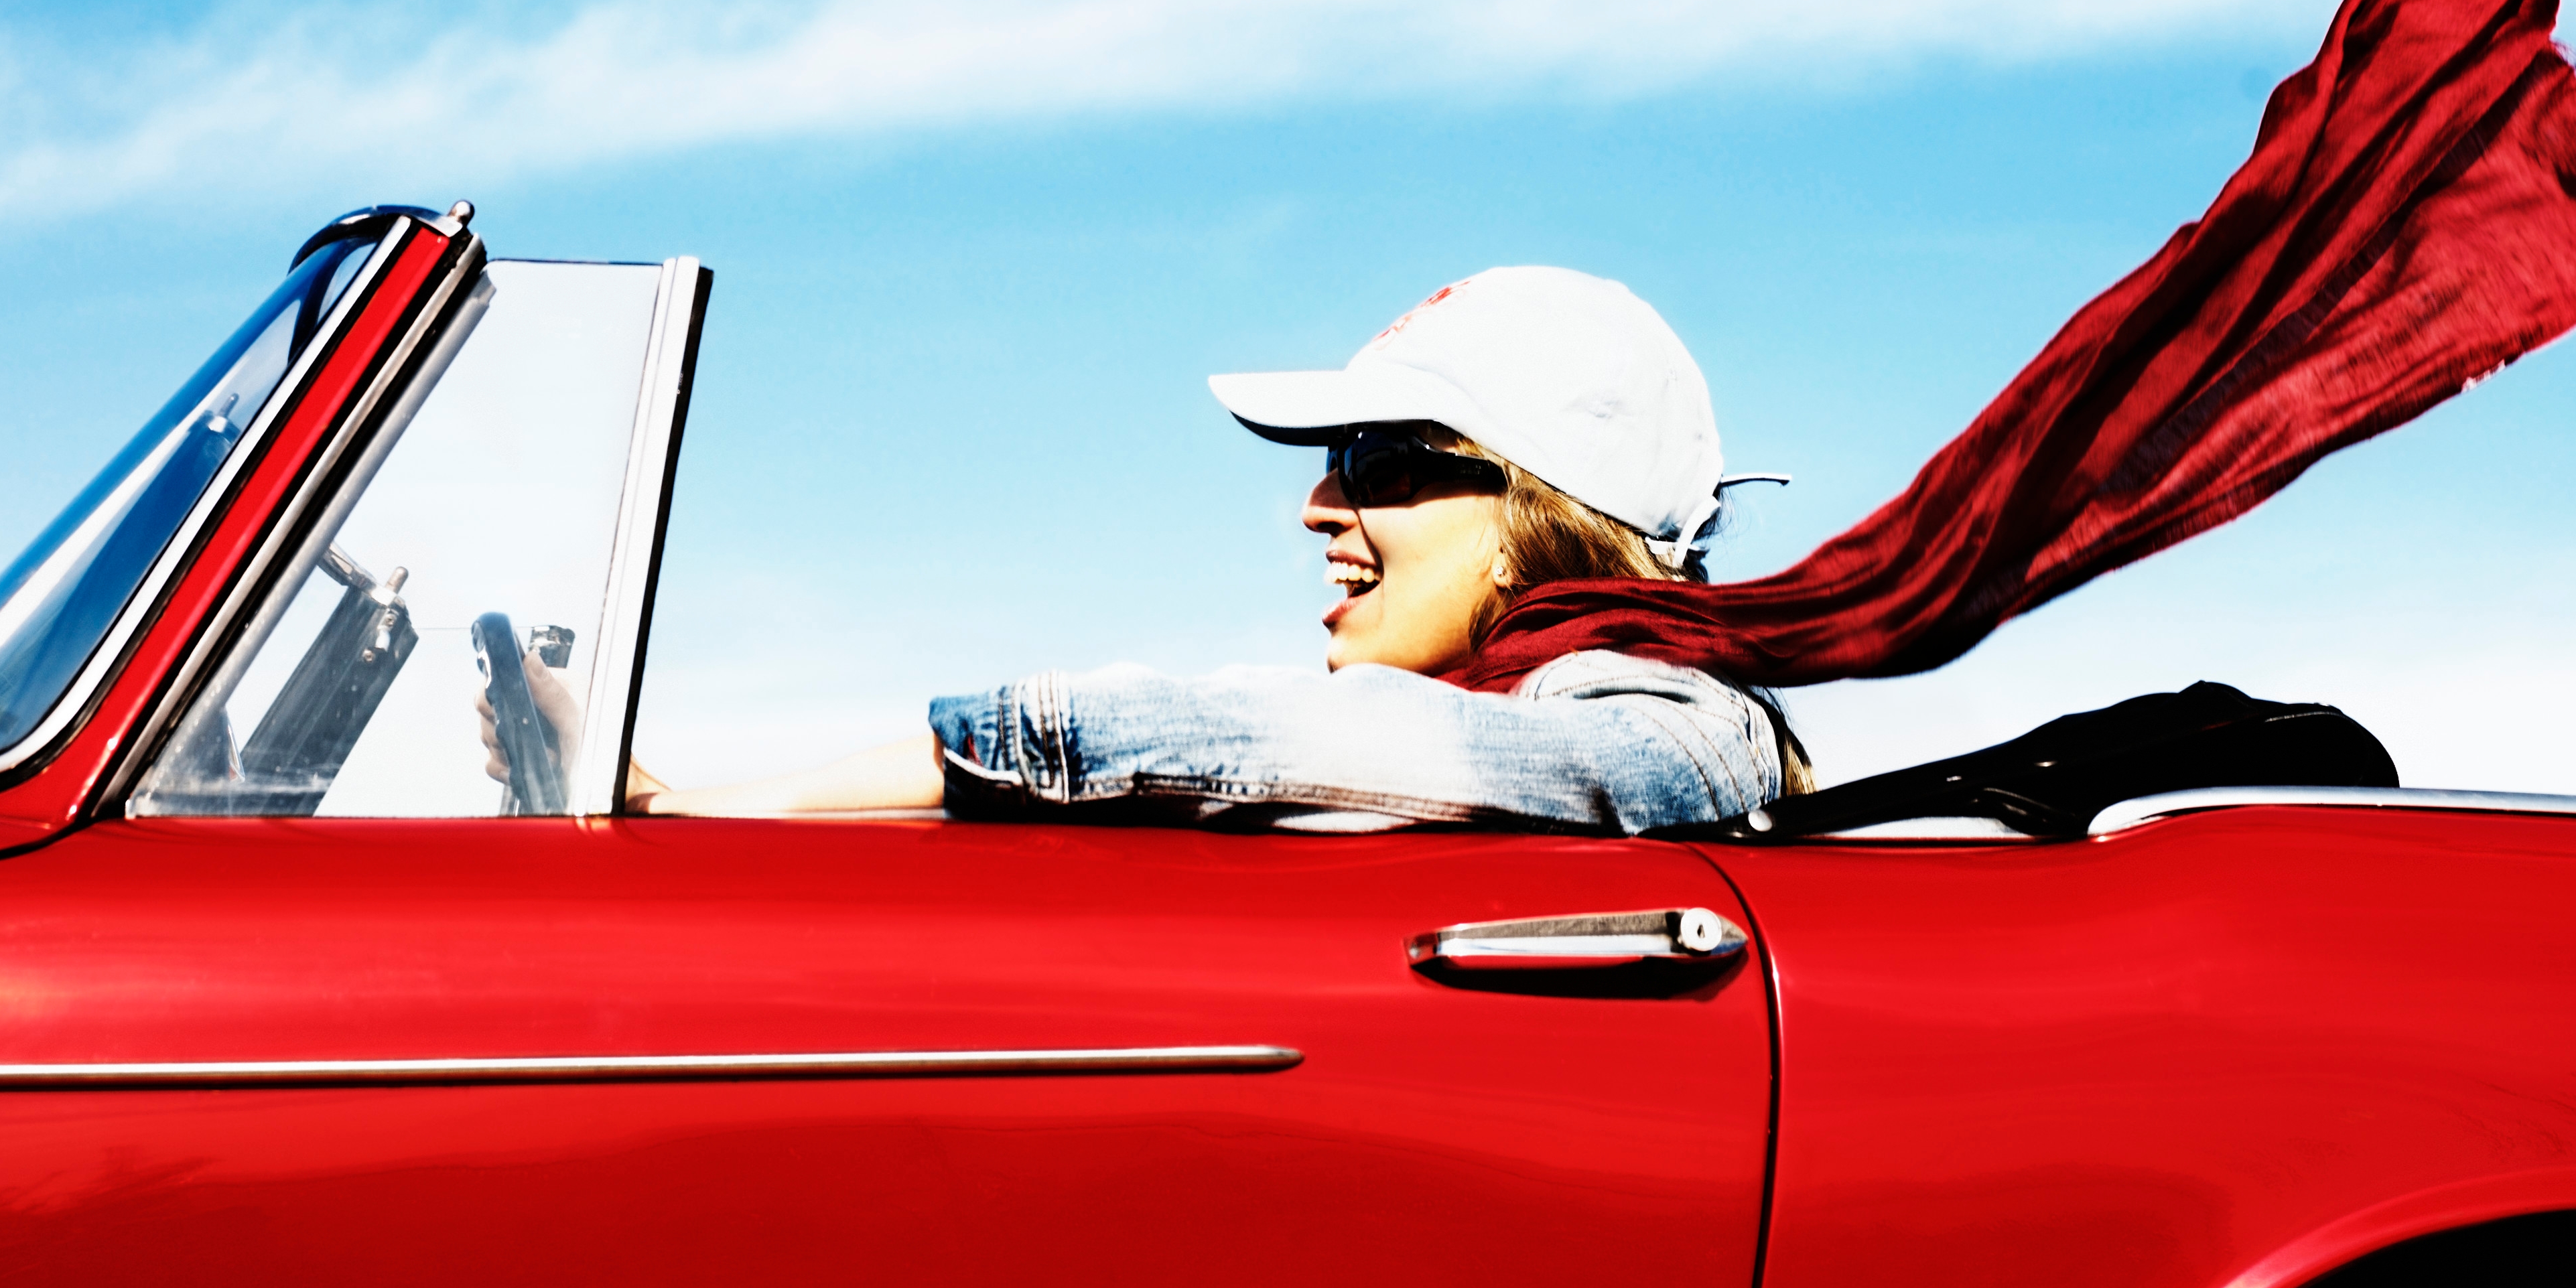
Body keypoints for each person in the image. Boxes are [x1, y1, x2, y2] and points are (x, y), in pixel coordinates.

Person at [493, 267, 1809, 832]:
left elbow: (1260, 740)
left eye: (1379, 462)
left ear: (1540, 515)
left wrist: (697, 802)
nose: (1317, 509)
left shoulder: (1675, 730)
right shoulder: (1528, 742)